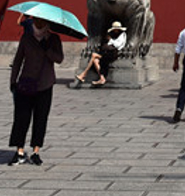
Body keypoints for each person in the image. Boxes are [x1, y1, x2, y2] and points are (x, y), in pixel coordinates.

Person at [8, 16, 63, 166]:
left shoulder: (54, 39)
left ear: (47, 23)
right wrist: (13, 81)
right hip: (26, 83)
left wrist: (47, 49)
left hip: (45, 84)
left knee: (41, 119)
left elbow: (59, 59)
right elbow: (18, 59)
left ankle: (35, 151)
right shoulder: (27, 38)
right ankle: (19, 151)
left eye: (42, 21)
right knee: (21, 118)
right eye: (36, 21)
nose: (38, 24)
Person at [73, 22, 127, 87]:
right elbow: (109, 44)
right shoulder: (113, 35)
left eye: (116, 29)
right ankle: (102, 78)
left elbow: (118, 45)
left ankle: (83, 74)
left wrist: (111, 40)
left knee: (93, 55)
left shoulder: (123, 35)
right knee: (95, 60)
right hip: (108, 52)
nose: (115, 30)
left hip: (114, 53)